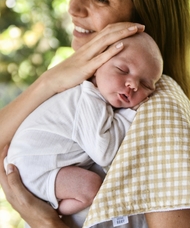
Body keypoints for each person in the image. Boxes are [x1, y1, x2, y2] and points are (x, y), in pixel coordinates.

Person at [0, 0, 190, 228]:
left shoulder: (158, 111)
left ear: (141, 19)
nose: (73, 7)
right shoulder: (97, 88)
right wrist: (53, 79)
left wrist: (46, 224)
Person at [4, 33, 163, 216]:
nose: (133, 84)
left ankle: (51, 213)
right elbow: (105, 153)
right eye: (122, 70)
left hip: (33, 161)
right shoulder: (88, 99)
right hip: (32, 167)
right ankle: (52, 213)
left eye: (146, 84)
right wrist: (128, 115)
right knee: (90, 187)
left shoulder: (96, 98)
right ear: (96, 66)